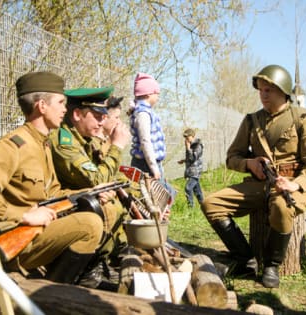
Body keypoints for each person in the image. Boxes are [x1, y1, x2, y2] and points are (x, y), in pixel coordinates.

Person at [0, 71, 112, 285]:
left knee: (97, 209)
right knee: (89, 224)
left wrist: (88, 194)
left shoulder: (43, 143)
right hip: (12, 238)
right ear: (42, 106)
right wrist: (23, 215)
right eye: (60, 102)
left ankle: (62, 287)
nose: (64, 109)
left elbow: (53, 194)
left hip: (34, 233)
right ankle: (52, 291)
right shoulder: (13, 146)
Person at [201, 65, 306, 288]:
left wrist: (295, 185)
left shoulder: (302, 118)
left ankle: (271, 265)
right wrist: (249, 163)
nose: (263, 95)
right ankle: (245, 259)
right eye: (260, 90)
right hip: (260, 183)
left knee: (280, 206)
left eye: (269, 90)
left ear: (283, 90)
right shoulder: (252, 120)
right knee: (211, 204)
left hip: (292, 186)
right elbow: (232, 157)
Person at [49, 86, 131, 287]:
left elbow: (105, 176)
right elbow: (96, 179)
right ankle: (79, 274)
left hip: (75, 199)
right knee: (106, 209)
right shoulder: (64, 141)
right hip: (59, 206)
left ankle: (94, 265)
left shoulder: (85, 140)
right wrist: (117, 146)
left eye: (103, 116)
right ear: (77, 114)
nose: (103, 121)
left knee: (114, 204)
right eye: (96, 116)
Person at [128, 72, 175, 200]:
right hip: (146, 163)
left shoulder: (145, 111)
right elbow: (145, 141)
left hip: (150, 162)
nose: (158, 97)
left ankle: (158, 217)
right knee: (161, 196)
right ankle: (156, 218)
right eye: (157, 94)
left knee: (161, 195)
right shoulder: (143, 113)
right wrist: (153, 167)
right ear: (149, 94)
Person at [177, 128, 204, 208]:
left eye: (187, 137)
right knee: (197, 191)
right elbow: (190, 158)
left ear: (192, 136)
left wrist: (188, 148)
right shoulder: (191, 145)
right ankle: (204, 205)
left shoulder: (198, 145)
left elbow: (193, 158)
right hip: (191, 171)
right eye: (185, 137)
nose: (186, 139)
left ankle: (190, 208)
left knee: (188, 188)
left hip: (195, 171)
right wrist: (184, 160)